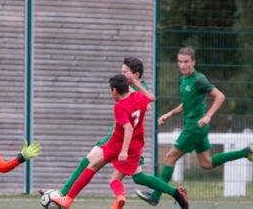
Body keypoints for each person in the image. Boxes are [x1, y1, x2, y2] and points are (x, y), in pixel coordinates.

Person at [136, 46, 253, 206]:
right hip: (196, 126)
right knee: (206, 163)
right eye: (180, 62)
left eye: (186, 62)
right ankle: (245, 152)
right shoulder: (183, 80)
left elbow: (220, 96)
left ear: (193, 62)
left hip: (195, 127)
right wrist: (170, 114)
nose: (183, 65)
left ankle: (155, 196)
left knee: (169, 158)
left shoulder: (199, 79)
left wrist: (208, 116)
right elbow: (186, 103)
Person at [54, 74, 189, 209]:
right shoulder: (139, 97)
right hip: (135, 145)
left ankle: (69, 199)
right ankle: (175, 193)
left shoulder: (119, 107)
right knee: (128, 178)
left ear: (114, 91)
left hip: (118, 144)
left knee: (92, 166)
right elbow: (151, 98)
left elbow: (128, 128)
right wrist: (136, 83)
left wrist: (123, 151)